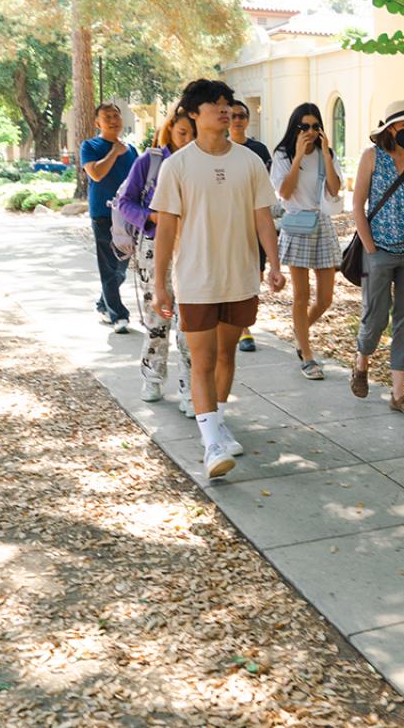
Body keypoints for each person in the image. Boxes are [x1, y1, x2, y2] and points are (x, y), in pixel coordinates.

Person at [151, 79, 286, 479]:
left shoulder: (248, 162)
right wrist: (160, 284)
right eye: (214, 103)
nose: (224, 109)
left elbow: (263, 216)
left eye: (227, 103)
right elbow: (166, 231)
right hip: (196, 280)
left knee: (227, 356)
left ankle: (219, 424)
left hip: (241, 276)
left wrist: (274, 264)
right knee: (202, 361)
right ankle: (211, 443)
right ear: (193, 113)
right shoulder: (177, 165)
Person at [350, 100, 404, 416]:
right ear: (390, 129)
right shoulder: (371, 158)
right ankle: (362, 362)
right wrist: (371, 250)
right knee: (376, 316)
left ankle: (398, 394)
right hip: (379, 252)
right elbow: (357, 205)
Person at [116, 110, 194, 411]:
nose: (187, 139)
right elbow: (125, 201)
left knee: (189, 319)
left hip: (191, 245)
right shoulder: (150, 162)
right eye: (183, 132)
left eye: (193, 134)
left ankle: (190, 387)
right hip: (153, 245)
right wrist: (151, 215)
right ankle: (152, 375)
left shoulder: (199, 164)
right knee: (157, 315)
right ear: (171, 130)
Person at [269, 103, 344, 379]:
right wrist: (299, 155)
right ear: (295, 127)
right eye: (304, 126)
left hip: (321, 222)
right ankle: (308, 356)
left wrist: (324, 154)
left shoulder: (328, 153)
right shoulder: (283, 154)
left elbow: (334, 190)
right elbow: (284, 193)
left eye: (315, 126)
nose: (310, 132)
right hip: (297, 223)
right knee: (301, 296)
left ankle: (300, 335)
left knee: (325, 298)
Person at [81, 102, 137, 332]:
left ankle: (103, 304)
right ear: (98, 123)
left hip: (128, 214)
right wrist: (114, 151)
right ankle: (118, 315)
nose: (113, 120)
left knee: (121, 267)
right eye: (107, 117)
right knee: (108, 266)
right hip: (103, 213)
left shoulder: (132, 150)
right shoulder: (90, 145)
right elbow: (96, 174)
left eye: (116, 115)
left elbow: (138, 180)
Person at [229, 100, 272, 353]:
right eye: (233, 115)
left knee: (255, 275)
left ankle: (244, 321)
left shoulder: (259, 150)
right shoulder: (217, 150)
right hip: (228, 223)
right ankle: (242, 328)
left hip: (254, 222)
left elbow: (264, 188)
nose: (237, 120)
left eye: (242, 115)